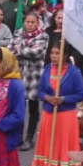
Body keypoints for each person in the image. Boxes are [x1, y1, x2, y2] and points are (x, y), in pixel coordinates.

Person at [30, 45, 83, 166]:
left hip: (65, 117)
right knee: (48, 148)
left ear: (65, 55)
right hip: (48, 115)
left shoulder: (74, 73)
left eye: (57, 53)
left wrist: (63, 99)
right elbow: (40, 91)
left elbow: (82, 94)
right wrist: (47, 97)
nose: (54, 56)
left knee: (62, 148)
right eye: (52, 53)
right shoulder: (48, 69)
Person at [11, 12, 50, 150]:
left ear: (37, 23)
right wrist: (23, 51)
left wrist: (19, 49)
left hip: (34, 77)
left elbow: (37, 53)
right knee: (19, 107)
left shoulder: (43, 36)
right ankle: (18, 136)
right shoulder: (17, 33)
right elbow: (10, 51)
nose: (30, 24)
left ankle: (29, 137)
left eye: (33, 22)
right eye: (28, 22)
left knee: (33, 108)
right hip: (18, 75)